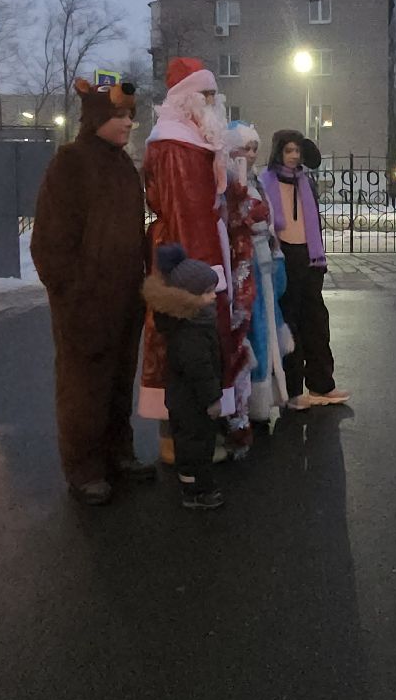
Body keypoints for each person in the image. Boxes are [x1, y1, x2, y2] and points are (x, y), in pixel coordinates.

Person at [29, 75, 152, 506]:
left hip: (124, 299)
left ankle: (118, 453)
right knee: (84, 386)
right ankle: (83, 468)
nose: (128, 124)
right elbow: (49, 243)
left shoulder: (122, 167)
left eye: (131, 116)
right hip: (85, 304)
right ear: (97, 117)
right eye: (119, 116)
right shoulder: (71, 162)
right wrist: (72, 294)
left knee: (119, 383)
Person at [140, 58, 240, 462]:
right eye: (207, 94)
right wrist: (200, 273)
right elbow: (186, 211)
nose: (214, 102)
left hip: (199, 250)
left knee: (195, 344)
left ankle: (195, 435)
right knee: (182, 343)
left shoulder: (190, 137)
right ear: (187, 98)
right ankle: (179, 442)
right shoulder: (173, 143)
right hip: (188, 256)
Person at [262, 130, 348, 411]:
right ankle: (293, 390)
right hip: (283, 256)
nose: (294, 156)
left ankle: (322, 384)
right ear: (278, 152)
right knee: (290, 323)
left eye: (297, 151)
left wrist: (317, 256)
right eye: (288, 150)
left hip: (309, 259)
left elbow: (314, 224)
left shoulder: (305, 182)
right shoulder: (267, 182)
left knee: (316, 322)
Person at [143, 244, 227, 510]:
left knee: (194, 443)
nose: (214, 297)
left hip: (187, 399)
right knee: (195, 445)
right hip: (193, 402)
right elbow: (199, 369)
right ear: (188, 297)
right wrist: (213, 398)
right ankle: (195, 490)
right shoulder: (191, 331)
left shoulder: (192, 320)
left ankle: (195, 483)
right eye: (208, 293)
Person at [229, 123, 293, 431]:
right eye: (246, 148)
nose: (252, 154)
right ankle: (249, 403)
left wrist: (271, 241)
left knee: (267, 325)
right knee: (252, 328)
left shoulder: (255, 181)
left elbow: (266, 221)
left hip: (263, 261)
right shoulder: (229, 181)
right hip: (244, 265)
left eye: (255, 148)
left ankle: (266, 398)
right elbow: (231, 220)